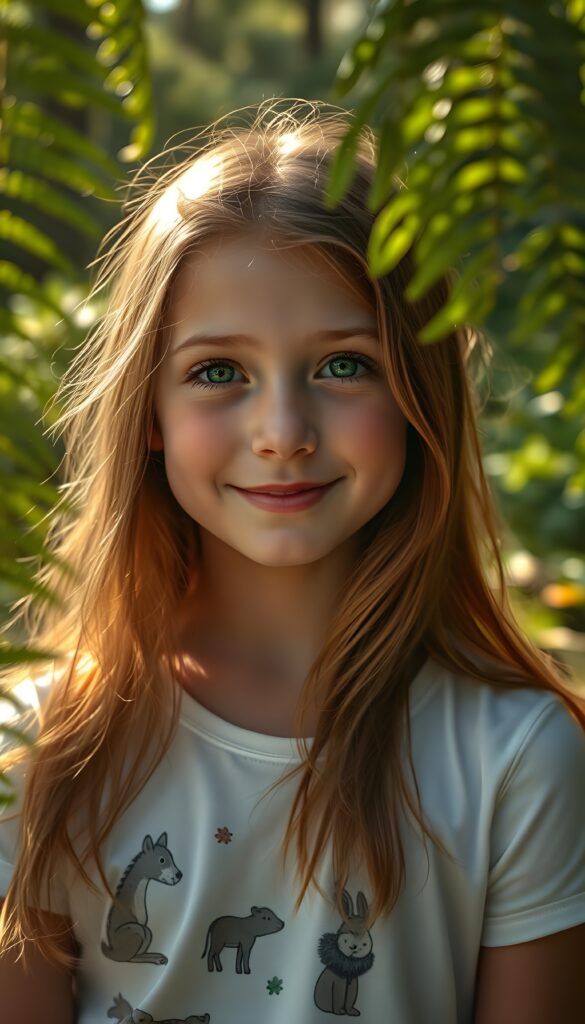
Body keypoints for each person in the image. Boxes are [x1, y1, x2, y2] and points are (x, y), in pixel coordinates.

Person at [0, 98, 584, 1024]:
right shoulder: (40, 750)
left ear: (417, 394)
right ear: (146, 414)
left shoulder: (516, 757)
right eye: (218, 371)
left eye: (343, 365)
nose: (281, 433)